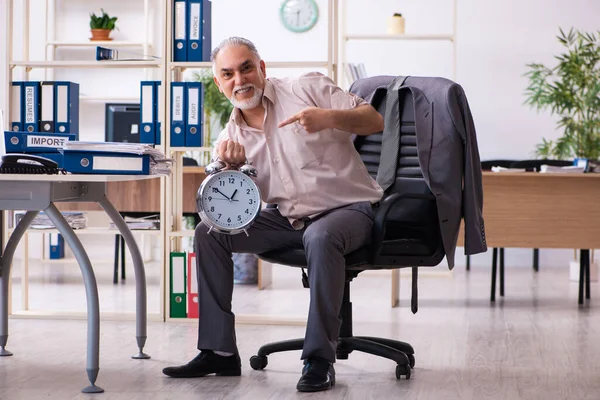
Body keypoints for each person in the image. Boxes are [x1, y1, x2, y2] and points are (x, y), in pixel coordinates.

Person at [162, 37, 384, 393]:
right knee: (210, 232)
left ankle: (319, 359)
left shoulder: (306, 88)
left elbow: (374, 120)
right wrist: (229, 171)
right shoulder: (230, 136)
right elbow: (231, 204)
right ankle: (219, 351)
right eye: (228, 73)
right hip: (289, 221)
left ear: (261, 68)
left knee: (320, 235)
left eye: (246, 67)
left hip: (348, 211)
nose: (240, 79)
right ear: (219, 84)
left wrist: (328, 117)